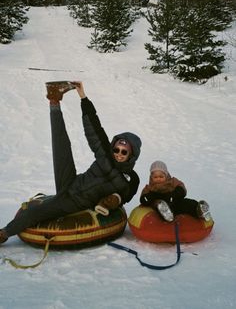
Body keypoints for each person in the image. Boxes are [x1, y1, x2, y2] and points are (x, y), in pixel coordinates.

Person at [0, 81, 142, 244]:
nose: (118, 154)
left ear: (132, 154)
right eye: (116, 149)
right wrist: (83, 96)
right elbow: (94, 128)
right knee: (61, 146)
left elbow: (126, 195)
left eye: (124, 152)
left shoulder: (132, 178)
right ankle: (54, 100)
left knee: (37, 212)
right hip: (72, 182)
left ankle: (3, 233)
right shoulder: (106, 155)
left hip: (75, 202)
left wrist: (114, 199)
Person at [140, 160, 212, 222]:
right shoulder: (149, 188)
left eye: (161, 176)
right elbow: (143, 198)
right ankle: (167, 214)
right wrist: (148, 197)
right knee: (159, 205)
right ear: (151, 178)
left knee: (187, 202)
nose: (158, 179)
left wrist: (176, 193)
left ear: (166, 175)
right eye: (155, 177)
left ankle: (200, 210)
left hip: (174, 201)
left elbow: (181, 187)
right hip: (161, 204)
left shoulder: (172, 181)